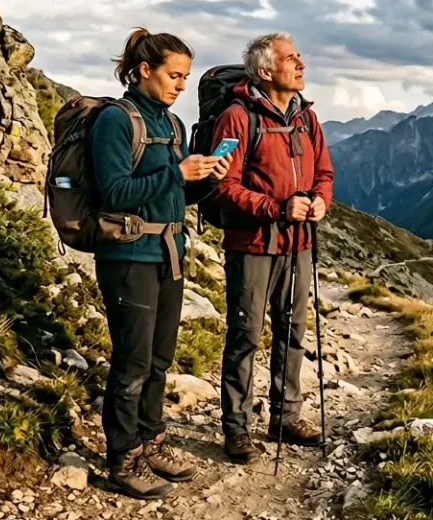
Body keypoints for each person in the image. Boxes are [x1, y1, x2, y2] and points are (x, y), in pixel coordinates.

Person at [90, 28, 231, 498]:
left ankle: (150, 441)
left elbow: (175, 193)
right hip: (128, 255)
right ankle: (122, 458)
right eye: (174, 75)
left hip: (169, 253)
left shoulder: (171, 125)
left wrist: (207, 179)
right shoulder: (115, 120)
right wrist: (178, 171)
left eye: (186, 77)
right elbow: (115, 193)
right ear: (144, 70)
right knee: (131, 362)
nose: (181, 86)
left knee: (158, 358)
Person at [209, 32, 334, 463]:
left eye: (299, 57)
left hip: (299, 242)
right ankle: (237, 428)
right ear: (265, 71)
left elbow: (324, 172)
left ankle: (285, 416)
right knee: (246, 335)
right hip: (253, 245)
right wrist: (277, 208)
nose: (301, 64)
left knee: (293, 330)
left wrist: (320, 201)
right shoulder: (237, 118)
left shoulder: (306, 117)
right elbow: (223, 187)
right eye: (291, 58)